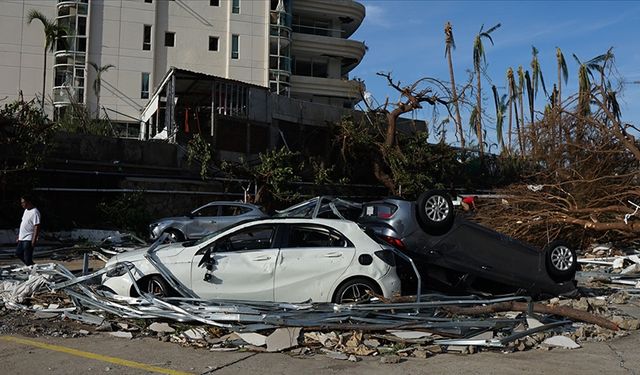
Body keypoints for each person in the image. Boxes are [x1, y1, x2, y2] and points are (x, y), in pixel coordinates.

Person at [15, 195, 40, 266]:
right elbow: (24, 224)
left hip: (29, 238)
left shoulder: (35, 212)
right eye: (21, 203)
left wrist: (34, 239)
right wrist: (19, 236)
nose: (22, 204)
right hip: (22, 238)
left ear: (28, 202)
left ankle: (32, 270)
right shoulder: (26, 211)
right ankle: (32, 266)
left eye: (23, 202)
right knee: (18, 253)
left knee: (27, 258)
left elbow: (37, 226)